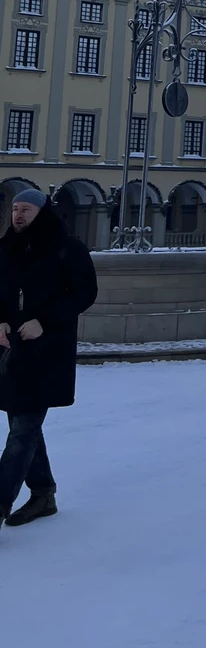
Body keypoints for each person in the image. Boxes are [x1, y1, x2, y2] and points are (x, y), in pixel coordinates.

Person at [0, 188, 97, 528]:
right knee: (22, 425)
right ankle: (43, 494)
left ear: (42, 212)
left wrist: (46, 321)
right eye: (14, 209)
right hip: (10, 351)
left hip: (46, 352)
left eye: (25, 209)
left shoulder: (68, 250)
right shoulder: (6, 248)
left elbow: (85, 293)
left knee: (23, 429)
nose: (18, 215)